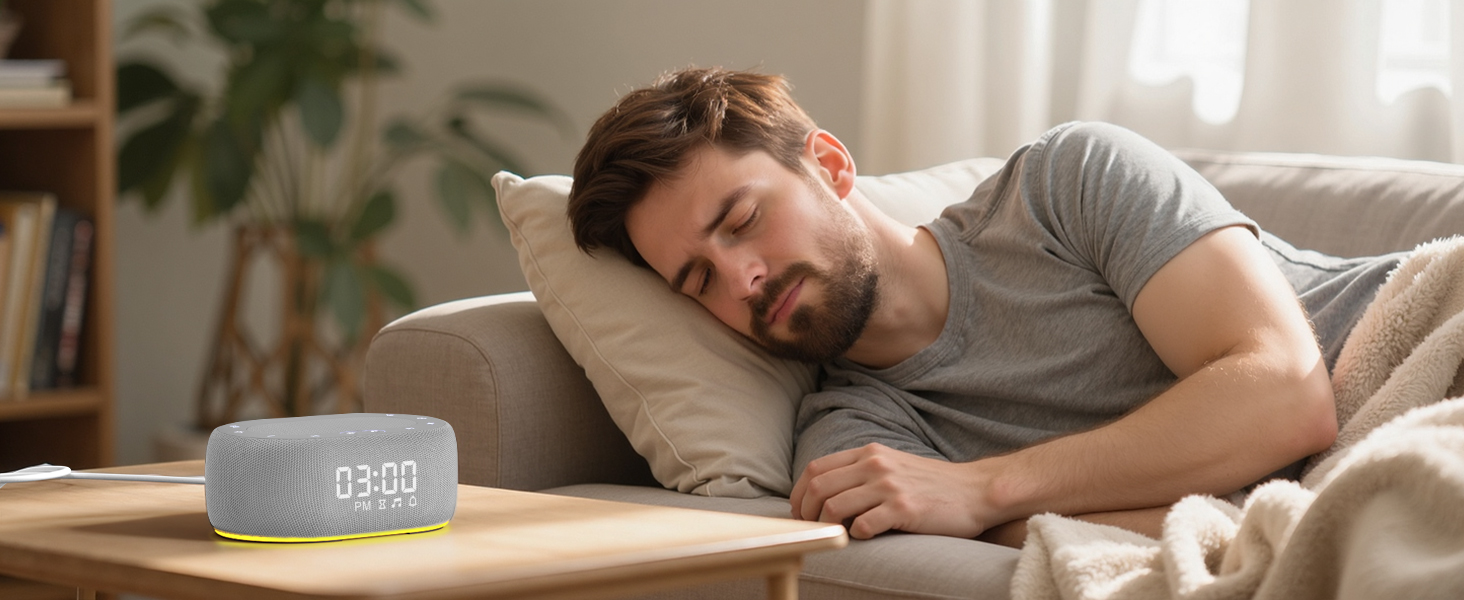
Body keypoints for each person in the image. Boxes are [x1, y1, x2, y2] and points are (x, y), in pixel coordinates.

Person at [566, 67, 1400, 547]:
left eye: (742, 220)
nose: (742, 278)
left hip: (1418, 351)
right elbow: (1171, 535)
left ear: (828, 164)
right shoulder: (863, 448)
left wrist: (986, 487)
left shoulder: (1066, 184)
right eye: (698, 281)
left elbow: (1287, 393)